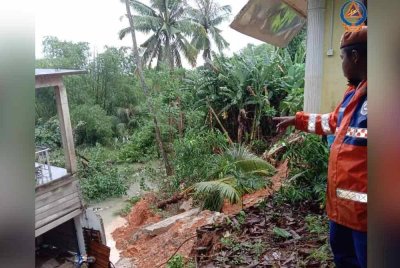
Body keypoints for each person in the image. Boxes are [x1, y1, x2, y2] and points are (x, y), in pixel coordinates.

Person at [273, 26, 367, 268]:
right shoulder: (351, 95)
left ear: (355, 57)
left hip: (367, 217)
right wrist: (298, 120)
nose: (342, 64)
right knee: (344, 259)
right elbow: (332, 122)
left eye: (342, 57)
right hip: (342, 210)